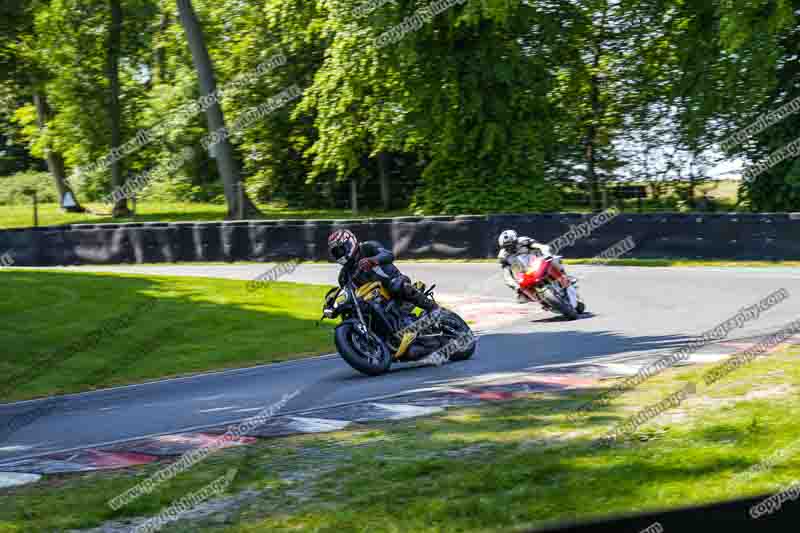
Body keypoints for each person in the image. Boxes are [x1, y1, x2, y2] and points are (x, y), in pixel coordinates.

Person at [327, 229, 438, 312]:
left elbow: (388, 255)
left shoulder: (367, 247)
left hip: (393, 282)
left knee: (396, 286)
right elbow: (347, 294)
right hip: (375, 300)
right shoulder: (344, 276)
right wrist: (333, 301)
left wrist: (373, 260)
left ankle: (434, 310)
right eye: (336, 253)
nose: (339, 254)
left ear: (349, 243)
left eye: (340, 250)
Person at [497, 229, 574, 304]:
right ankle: (537, 299)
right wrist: (515, 286)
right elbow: (506, 273)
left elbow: (540, 246)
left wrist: (546, 252)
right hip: (523, 273)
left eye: (511, 244)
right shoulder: (502, 256)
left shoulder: (523, 241)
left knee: (553, 259)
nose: (509, 248)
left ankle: (564, 276)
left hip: (536, 262)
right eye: (506, 247)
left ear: (516, 240)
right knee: (519, 292)